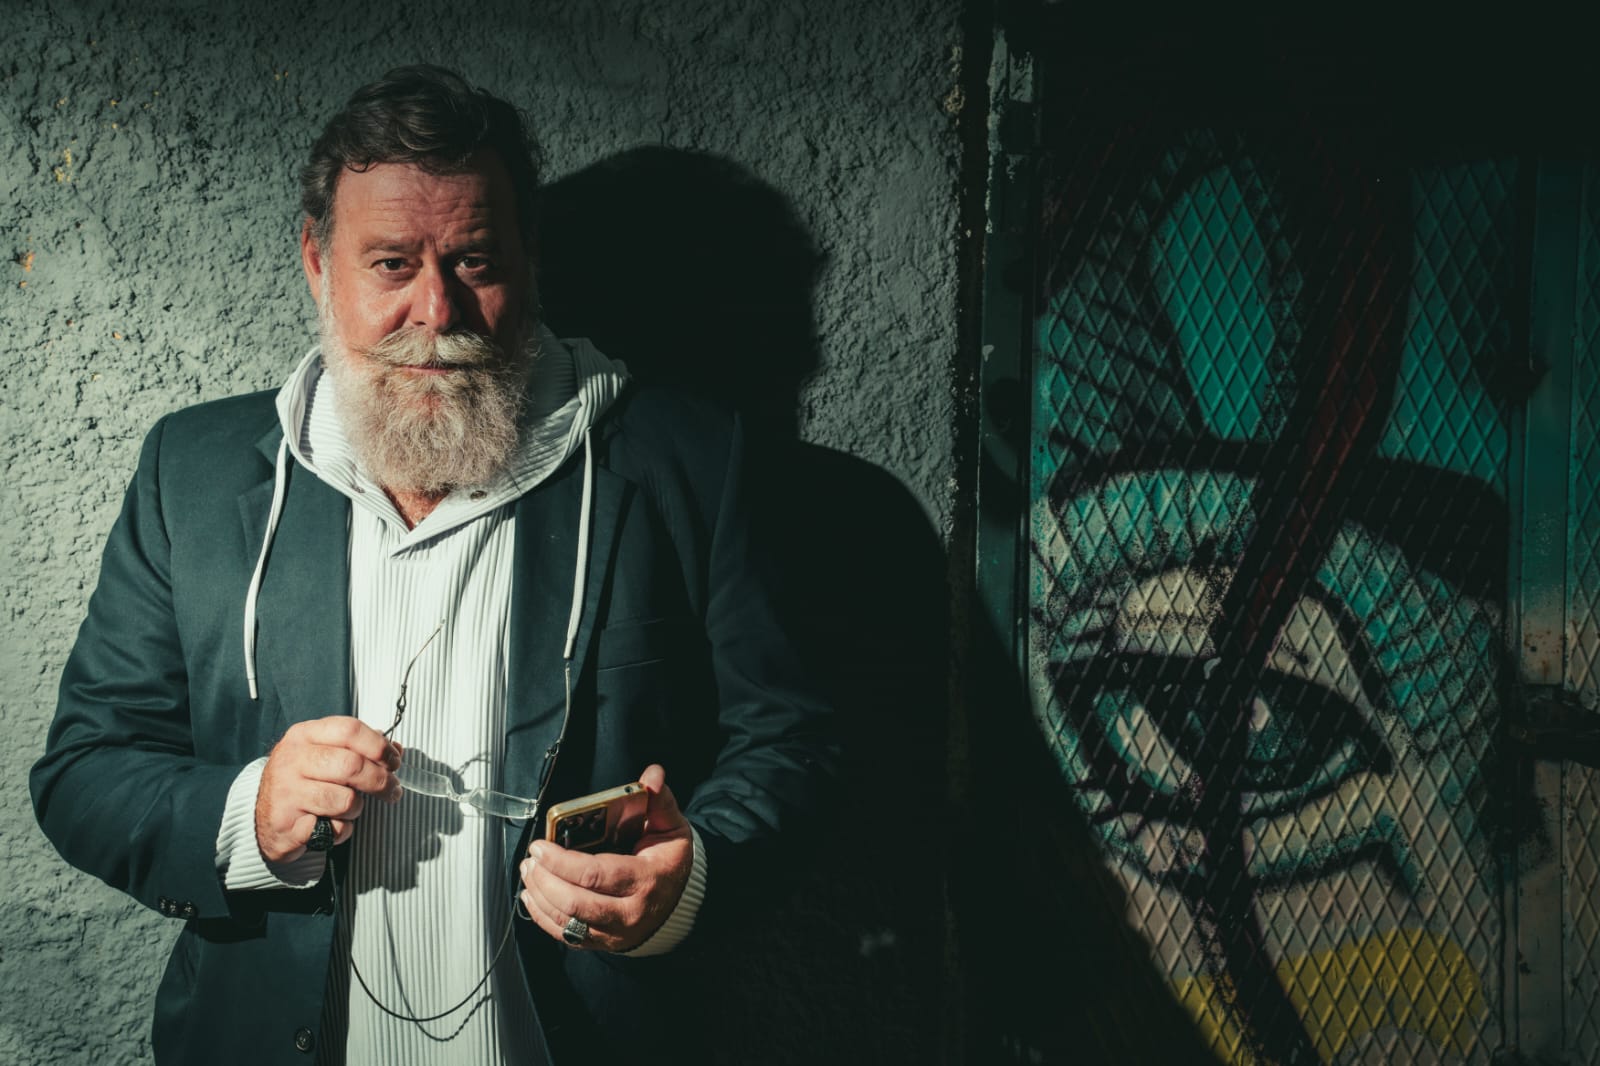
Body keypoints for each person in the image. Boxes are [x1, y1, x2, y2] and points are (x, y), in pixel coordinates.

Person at [31, 64, 835, 1066]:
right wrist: (249, 815)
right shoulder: (189, 473)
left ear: (530, 261)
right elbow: (85, 770)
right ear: (317, 262)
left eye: (475, 261)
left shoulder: (686, 461)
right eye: (390, 264)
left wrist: (693, 878)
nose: (436, 308)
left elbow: (793, 743)